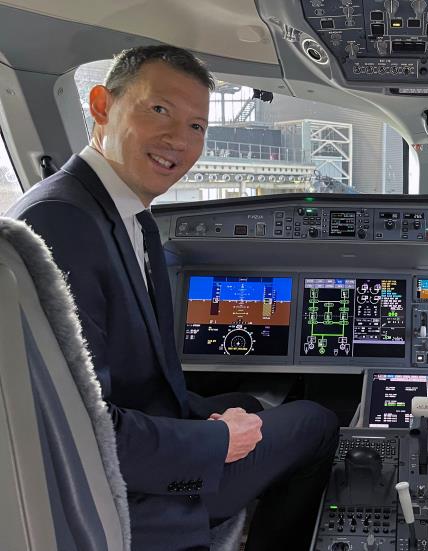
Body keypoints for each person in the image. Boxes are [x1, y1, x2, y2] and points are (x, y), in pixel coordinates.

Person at [6, 45, 339, 551]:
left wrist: (218, 420)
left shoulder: (115, 212)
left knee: (250, 402)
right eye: (159, 110)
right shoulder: (62, 222)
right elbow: (84, 431)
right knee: (316, 423)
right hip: (131, 497)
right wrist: (217, 442)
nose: (178, 140)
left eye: (197, 127)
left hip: (145, 435)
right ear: (101, 105)